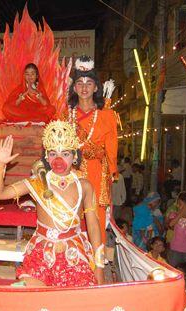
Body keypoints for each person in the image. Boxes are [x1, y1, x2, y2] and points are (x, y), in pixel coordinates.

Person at [0, 120, 104, 286]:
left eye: (65, 154)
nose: (58, 160)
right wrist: (1, 164)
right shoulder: (37, 182)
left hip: (72, 254)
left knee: (77, 302)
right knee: (33, 298)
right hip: (40, 255)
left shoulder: (84, 186)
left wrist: (100, 267)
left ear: (74, 156)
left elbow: (94, 226)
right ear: (46, 156)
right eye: (53, 154)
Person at [59, 55, 118, 250]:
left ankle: (96, 262)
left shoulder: (108, 114)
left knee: (96, 216)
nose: (84, 87)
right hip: (70, 171)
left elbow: (111, 148)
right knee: (70, 214)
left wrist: (111, 174)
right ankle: (70, 258)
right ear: (73, 87)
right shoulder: (64, 114)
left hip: (96, 171)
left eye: (89, 83)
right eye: (79, 83)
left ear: (96, 87)